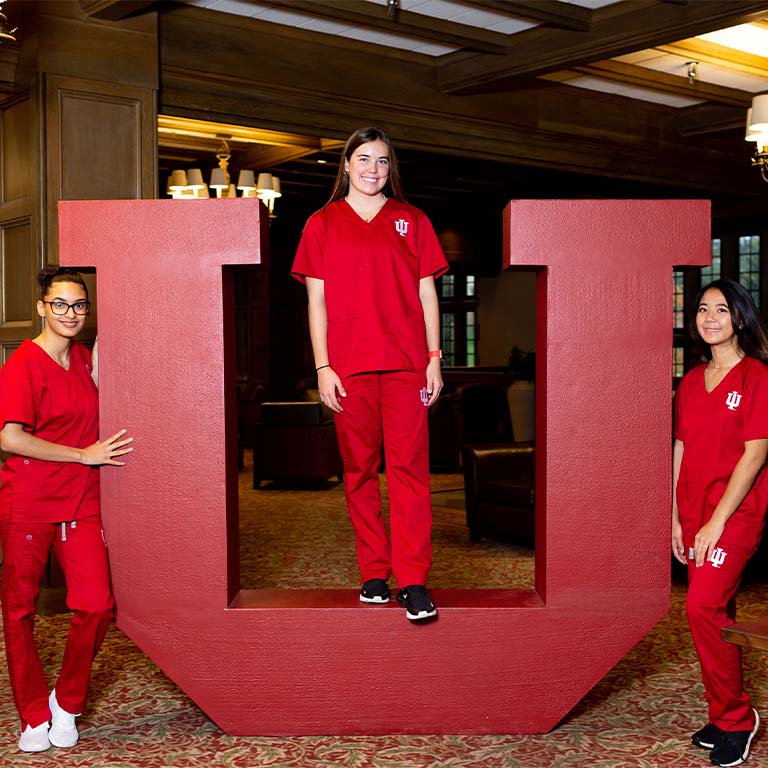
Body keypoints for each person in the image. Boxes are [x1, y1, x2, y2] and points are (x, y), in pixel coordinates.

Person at [291, 126, 448, 621]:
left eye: (381, 161)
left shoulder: (412, 220)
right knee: (359, 472)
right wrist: (322, 367)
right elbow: (316, 303)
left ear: (389, 169)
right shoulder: (321, 223)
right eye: (363, 159)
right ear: (346, 165)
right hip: (348, 369)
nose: (372, 169)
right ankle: (374, 574)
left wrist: (434, 357)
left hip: (406, 366)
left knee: (409, 474)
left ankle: (414, 580)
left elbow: (427, 293)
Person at [0, 265, 133, 753]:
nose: (70, 313)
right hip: (29, 502)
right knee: (20, 611)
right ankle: (33, 714)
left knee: (96, 604)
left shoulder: (81, 357)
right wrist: (83, 455)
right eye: (60, 304)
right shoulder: (23, 365)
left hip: (81, 501)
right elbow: (9, 438)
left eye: (79, 304)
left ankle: (67, 701)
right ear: (42, 308)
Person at [673, 278, 768, 767]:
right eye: (703, 309)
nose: (710, 318)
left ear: (741, 319)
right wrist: (675, 516)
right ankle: (722, 713)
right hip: (692, 512)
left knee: (701, 606)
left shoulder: (757, 378)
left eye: (722, 310)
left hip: (735, 514)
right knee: (716, 613)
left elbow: (755, 454)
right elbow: (681, 447)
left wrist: (716, 522)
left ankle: (737, 718)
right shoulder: (691, 381)